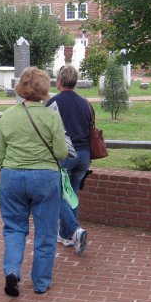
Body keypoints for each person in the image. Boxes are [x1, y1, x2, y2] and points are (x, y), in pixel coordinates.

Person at [0, 66, 83, 297]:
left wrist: (0, 171)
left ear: (21, 88)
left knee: (14, 228)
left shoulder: (8, 115)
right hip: (44, 178)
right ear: (45, 89)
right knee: (45, 231)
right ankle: (41, 282)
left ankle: (12, 271)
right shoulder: (51, 117)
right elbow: (62, 152)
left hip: (12, 176)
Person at [46, 64, 92, 253]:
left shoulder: (53, 103)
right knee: (71, 194)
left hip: (66, 154)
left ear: (59, 81)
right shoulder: (85, 103)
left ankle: (73, 230)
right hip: (84, 155)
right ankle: (67, 236)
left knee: (56, 195)